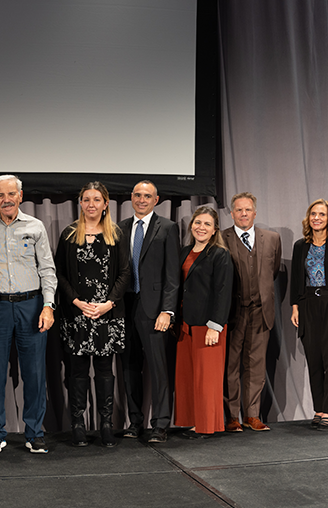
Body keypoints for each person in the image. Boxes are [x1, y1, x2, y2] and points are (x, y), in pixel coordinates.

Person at [0, 175, 57, 454]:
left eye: (11, 194)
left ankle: (34, 433)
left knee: (35, 373)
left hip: (31, 306)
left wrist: (48, 306)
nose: (6, 199)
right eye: (0, 195)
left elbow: (47, 270)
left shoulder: (35, 226)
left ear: (20, 195)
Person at [54, 182, 130, 448]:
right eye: (86, 199)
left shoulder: (115, 235)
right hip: (77, 314)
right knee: (77, 371)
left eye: (96, 199)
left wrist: (108, 304)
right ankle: (78, 425)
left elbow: (124, 273)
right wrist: (76, 301)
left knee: (104, 371)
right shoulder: (69, 234)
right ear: (80, 203)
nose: (91, 205)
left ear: (105, 203)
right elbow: (59, 274)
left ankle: (106, 425)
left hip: (107, 314)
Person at [117, 181, 180, 443]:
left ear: (157, 200)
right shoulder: (120, 228)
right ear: (131, 198)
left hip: (154, 308)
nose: (142, 200)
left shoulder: (167, 227)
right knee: (129, 367)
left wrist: (168, 310)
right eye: (138, 195)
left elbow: (173, 275)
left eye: (147, 196)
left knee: (158, 368)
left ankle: (161, 424)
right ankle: (135, 422)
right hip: (125, 306)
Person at [290, 199, 328, 430]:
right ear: (308, 218)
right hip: (308, 303)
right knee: (314, 359)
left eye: (322, 214)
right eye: (313, 214)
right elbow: (297, 279)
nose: (317, 218)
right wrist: (295, 307)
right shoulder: (300, 246)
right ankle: (318, 409)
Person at [221, 192, 281, 432]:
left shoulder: (272, 239)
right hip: (232, 313)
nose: (243, 214)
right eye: (238, 210)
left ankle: (252, 415)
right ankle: (231, 416)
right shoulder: (221, 238)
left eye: (247, 210)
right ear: (232, 213)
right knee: (231, 366)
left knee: (256, 367)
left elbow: (272, 271)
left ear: (255, 213)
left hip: (260, 312)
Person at [172, 207, 233, 438]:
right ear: (191, 226)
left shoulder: (219, 254)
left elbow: (223, 292)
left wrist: (215, 325)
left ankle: (206, 425)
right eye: (198, 223)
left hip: (208, 326)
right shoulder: (185, 251)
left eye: (207, 224)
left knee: (207, 380)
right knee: (188, 377)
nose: (201, 227)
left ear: (215, 229)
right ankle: (193, 420)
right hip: (186, 325)